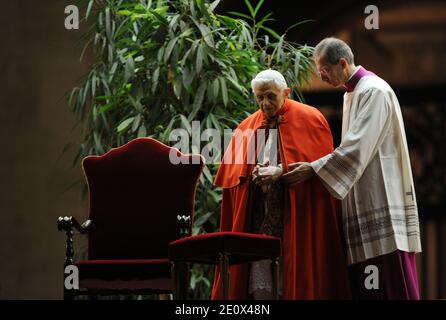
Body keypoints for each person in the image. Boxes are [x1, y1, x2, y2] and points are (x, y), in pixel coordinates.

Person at [283, 37, 422, 299]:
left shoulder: (374, 91)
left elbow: (357, 148)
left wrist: (313, 168)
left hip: (380, 197)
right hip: (363, 195)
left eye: (324, 71)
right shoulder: (352, 94)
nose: (321, 77)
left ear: (343, 63)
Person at [211, 69, 351, 299]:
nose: (265, 103)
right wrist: (253, 174)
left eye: (270, 96)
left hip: (297, 217)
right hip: (259, 219)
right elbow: (235, 182)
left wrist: (280, 171)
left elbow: (320, 171)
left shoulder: (310, 118)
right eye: (259, 97)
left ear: (286, 92)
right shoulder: (247, 126)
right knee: (260, 288)